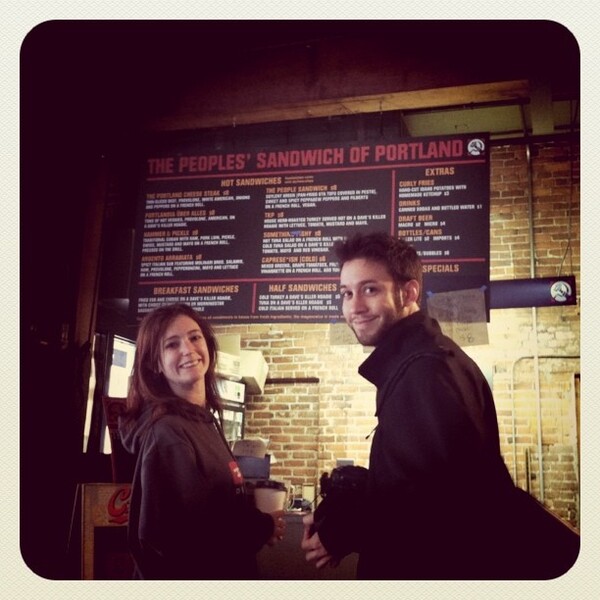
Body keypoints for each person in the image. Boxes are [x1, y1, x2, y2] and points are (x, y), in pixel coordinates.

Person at [301, 232, 578, 579]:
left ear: (409, 292)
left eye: (370, 289)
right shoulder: (421, 361)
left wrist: (347, 528)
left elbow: (451, 506)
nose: (354, 306)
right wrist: (358, 493)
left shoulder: (425, 369)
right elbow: (426, 481)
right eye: (346, 293)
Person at [119, 302, 285, 579]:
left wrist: (256, 518)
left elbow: (213, 509)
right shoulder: (168, 432)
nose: (188, 349)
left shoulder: (203, 421)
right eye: (172, 344)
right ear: (155, 364)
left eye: (194, 337)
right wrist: (261, 528)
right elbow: (187, 537)